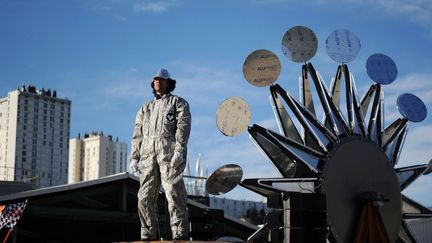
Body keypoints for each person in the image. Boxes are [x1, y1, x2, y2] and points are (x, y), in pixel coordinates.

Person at [130, 68, 191, 241]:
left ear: (168, 83)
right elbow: (137, 135)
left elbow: (183, 129)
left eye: (162, 79)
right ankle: (147, 232)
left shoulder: (178, 103)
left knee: (173, 192)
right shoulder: (145, 108)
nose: (158, 81)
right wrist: (134, 157)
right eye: (156, 79)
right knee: (144, 196)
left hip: (168, 153)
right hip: (148, 155)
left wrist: (179, 150)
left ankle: (180, 231)